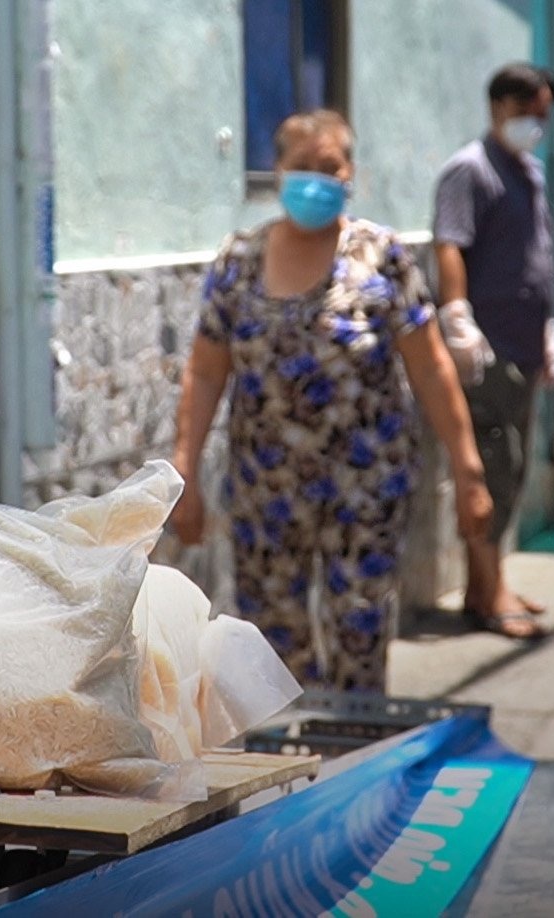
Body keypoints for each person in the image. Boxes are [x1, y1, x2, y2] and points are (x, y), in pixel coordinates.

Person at [168, 109, 492, 693]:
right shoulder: (238, 262)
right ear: (278, 172)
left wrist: (468, 470)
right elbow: (206, 371)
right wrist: (183, 472)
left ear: (350, 174)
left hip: (366, 488)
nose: (314, 180)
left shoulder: (382, 257)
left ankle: (355, 764)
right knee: (269, 643)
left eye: (329, 167)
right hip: (267, 491)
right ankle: (283, 768)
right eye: (301, 168)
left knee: (359, 630)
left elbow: (430, 365)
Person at [432, 62, 554, 640]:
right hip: (488, 349)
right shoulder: (470, 170)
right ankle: (490, 592)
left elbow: (535, 251)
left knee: (511, 470)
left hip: (525, 347)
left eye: (543, 116)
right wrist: (457, 316)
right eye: (529, 113)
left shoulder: (527, 172)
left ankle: (486, 588)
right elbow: (451, 245)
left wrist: (548, 328)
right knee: (488, 468)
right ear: (499, 107)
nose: (537, 125)